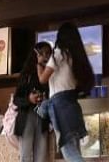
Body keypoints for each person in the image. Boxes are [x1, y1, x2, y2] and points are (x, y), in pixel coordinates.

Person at [38, 23, 95, 162]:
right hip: (72, 105)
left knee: (70, 154)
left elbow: (42, 79)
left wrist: (39, 63)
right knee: (75, 150)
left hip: (60, 107)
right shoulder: (74, 57)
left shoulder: (58, 54)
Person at [14, 42, 53, 162]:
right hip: (27, 116)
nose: (45, 56)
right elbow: (16, 99)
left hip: (43, 117)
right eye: (42, 53)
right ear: (35, 55)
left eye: (48, 53)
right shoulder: (27, 75)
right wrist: (29, 99)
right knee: (25, 156)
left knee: (41, 157)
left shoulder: (51, 73)